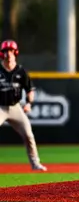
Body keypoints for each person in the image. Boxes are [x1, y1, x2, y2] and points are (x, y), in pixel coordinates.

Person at [0, 40, 47, 171]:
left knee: (29, 135)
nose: (8, 54)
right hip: (0, 108)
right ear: (2, 54)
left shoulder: (21, 71)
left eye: (10, 51)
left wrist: (29, 103)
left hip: (15, 108)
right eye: (5, 51)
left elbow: (30, 89)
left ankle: (35, 164)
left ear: (15, 53)